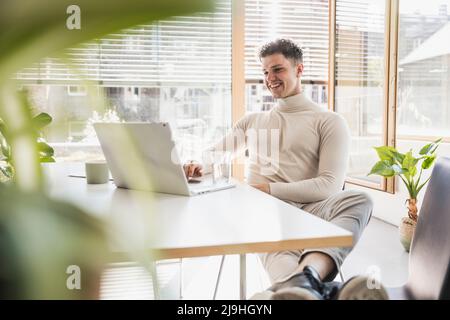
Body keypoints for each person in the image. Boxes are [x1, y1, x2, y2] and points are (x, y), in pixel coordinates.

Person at [184, 38, 388, 300]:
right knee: (292, 284)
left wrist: (265, 188)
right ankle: (317, 282)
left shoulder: (329, 122)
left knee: (361, 199)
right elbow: (215, 155)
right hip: (264, 216)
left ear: (299, 69)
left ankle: (299, 285)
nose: (270, 78)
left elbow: (329, 185)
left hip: (311, 212)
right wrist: (198, 165)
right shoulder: (253, 121)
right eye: (265, 72)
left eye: (277, 69)